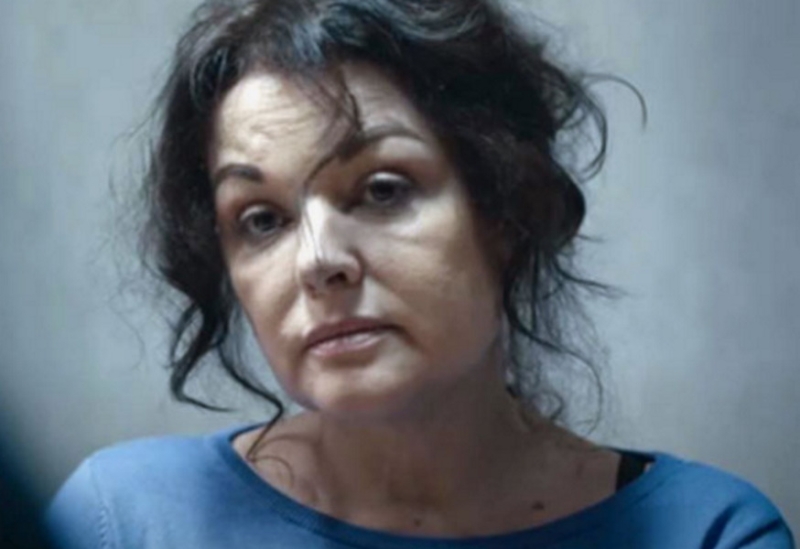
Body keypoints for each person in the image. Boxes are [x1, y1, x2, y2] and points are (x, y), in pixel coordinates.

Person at [46, 0, 794, 547]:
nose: (319, 261)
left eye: (381, 190)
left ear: (507, 209)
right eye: (262, 219)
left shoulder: (704, 531)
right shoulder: (123, 521)